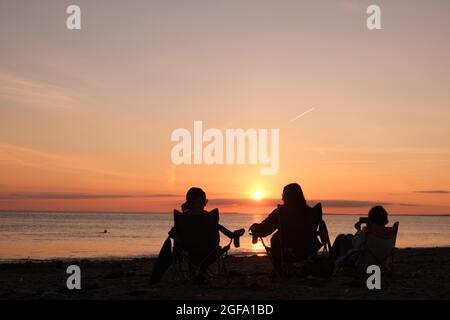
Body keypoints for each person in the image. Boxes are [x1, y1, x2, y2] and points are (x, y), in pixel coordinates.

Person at [249, 183, 322, 270]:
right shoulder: (311, 213)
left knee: (275, 239)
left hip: (287, 255)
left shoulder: (280, 213)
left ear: (288, 197)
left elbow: (265, 231)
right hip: (308, 252)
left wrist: (255, 228)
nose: (282, 198)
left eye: (283, 195)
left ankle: (282, 268)